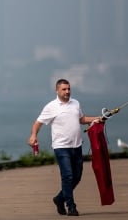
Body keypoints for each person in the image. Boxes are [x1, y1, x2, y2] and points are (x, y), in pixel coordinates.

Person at [27, 79, 100, 216]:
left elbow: (81, 119)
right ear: (57, 91)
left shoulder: (75, 103)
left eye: (68, 89)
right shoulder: (51, 107)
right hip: (61, 147)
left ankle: (59, 199)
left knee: (77, 177)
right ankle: (71, 207)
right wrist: (33, 135)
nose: (67, 91)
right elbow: (38, 122)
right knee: (67, 176)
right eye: (64, 89)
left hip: (77, 146)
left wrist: (97, 118)